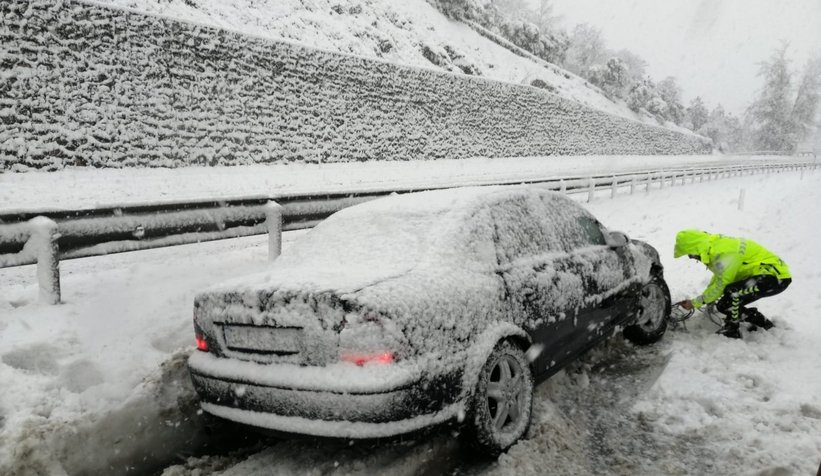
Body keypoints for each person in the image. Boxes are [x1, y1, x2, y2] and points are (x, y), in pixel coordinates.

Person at [673, 229, 791, 339]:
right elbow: (719, 277)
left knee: (732, 293)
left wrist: (695, 303)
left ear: (697, 248)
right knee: (724, 305)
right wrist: (706, 298)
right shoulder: (716, 247)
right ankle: (762, 322)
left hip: (774, 278)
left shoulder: (724, 252)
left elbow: (722, 283)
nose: (691, 257)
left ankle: (732, 329)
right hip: (765, 277)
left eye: (690, 254)